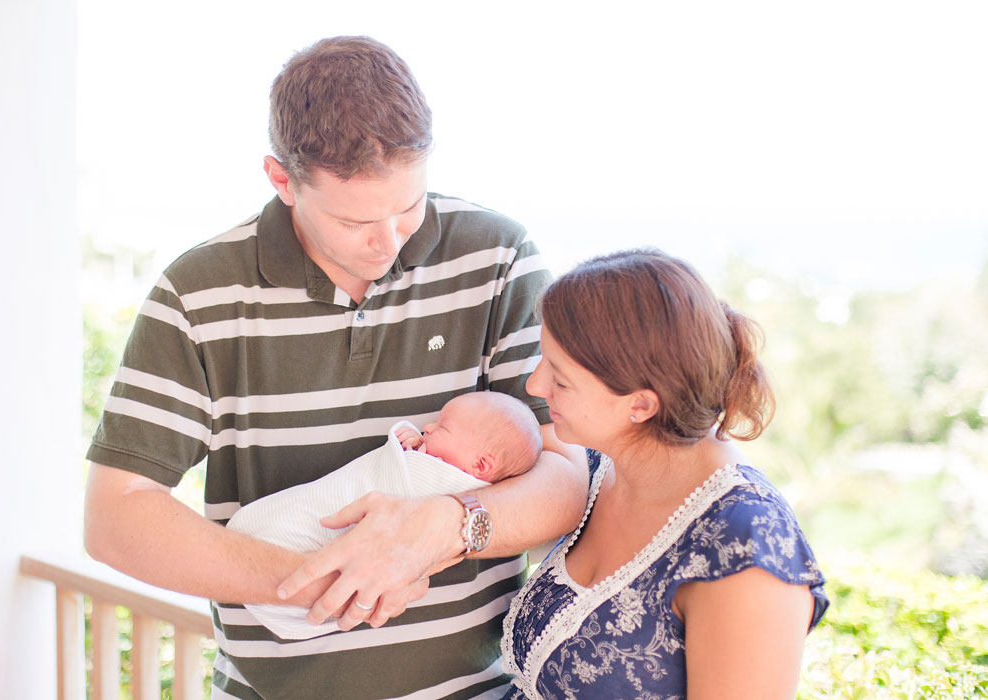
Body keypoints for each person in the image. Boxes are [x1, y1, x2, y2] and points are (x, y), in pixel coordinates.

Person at [82, 36, 588, 699]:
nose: (390, 240)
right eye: (354, 220)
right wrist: (318, 577)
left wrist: (448, 528)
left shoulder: (496, 258)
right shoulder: (200, 292)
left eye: (409, 206)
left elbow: (566, 476)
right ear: (281, 180)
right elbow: (116, 518)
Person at [500, 248, 829, 699]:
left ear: (640, 404)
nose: (535, 387)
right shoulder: (601, 471)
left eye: (560, 379)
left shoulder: (746, 544)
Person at [230, 391, 542, 640]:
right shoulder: (438, 459)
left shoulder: (461, 485)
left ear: (481, 467)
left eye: (442, 427)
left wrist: (409, 455)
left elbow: (414, 497)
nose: (427, 428)